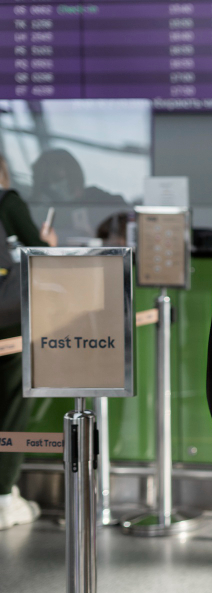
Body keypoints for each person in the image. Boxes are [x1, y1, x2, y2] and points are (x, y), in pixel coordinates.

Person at [0, 151, 57, 530]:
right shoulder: (8, 201)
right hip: (7, 325)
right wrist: (48, 242)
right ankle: (4, 496)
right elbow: (41, 256)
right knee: (11, 408)